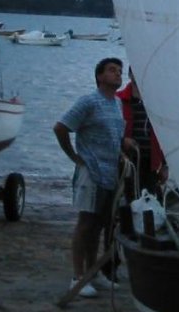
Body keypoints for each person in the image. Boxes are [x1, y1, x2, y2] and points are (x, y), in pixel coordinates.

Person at [53, 57, 133, 298]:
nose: (117, 74)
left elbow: (114, 135)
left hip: (110, 173)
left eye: (119, 71)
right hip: (91, 172)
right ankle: (77, 276)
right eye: (112, 70)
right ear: (99, 76)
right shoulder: (88, 102)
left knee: (100, 225)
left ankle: (93, 272)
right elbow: (61, 127)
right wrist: (75, 157)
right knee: (86, 224)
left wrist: (123, 148)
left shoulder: (117, 103)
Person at [116, 67, 167, 195]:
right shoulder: (118, 99)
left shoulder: (158, 102)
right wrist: (122, 141)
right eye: (135, 70)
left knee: (148, 200)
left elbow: (166, 135)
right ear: (129, 74)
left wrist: (164, 165)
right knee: (124, 200)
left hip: (151, 161)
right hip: (124, 160)